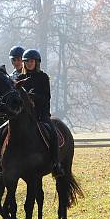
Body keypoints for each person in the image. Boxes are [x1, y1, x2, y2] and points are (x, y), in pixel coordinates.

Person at [16, 49, 64, 177]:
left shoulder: (43, 77)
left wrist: (32, 97)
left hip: (41, 115)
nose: (29, 63)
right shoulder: (19, 78)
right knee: (1, 131)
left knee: (52, 133)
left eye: (32, 61)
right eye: (27, 61)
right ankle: (1, 160)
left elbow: (46, 97)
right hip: (22, 115)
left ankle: (56, 163)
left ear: (37, 62)